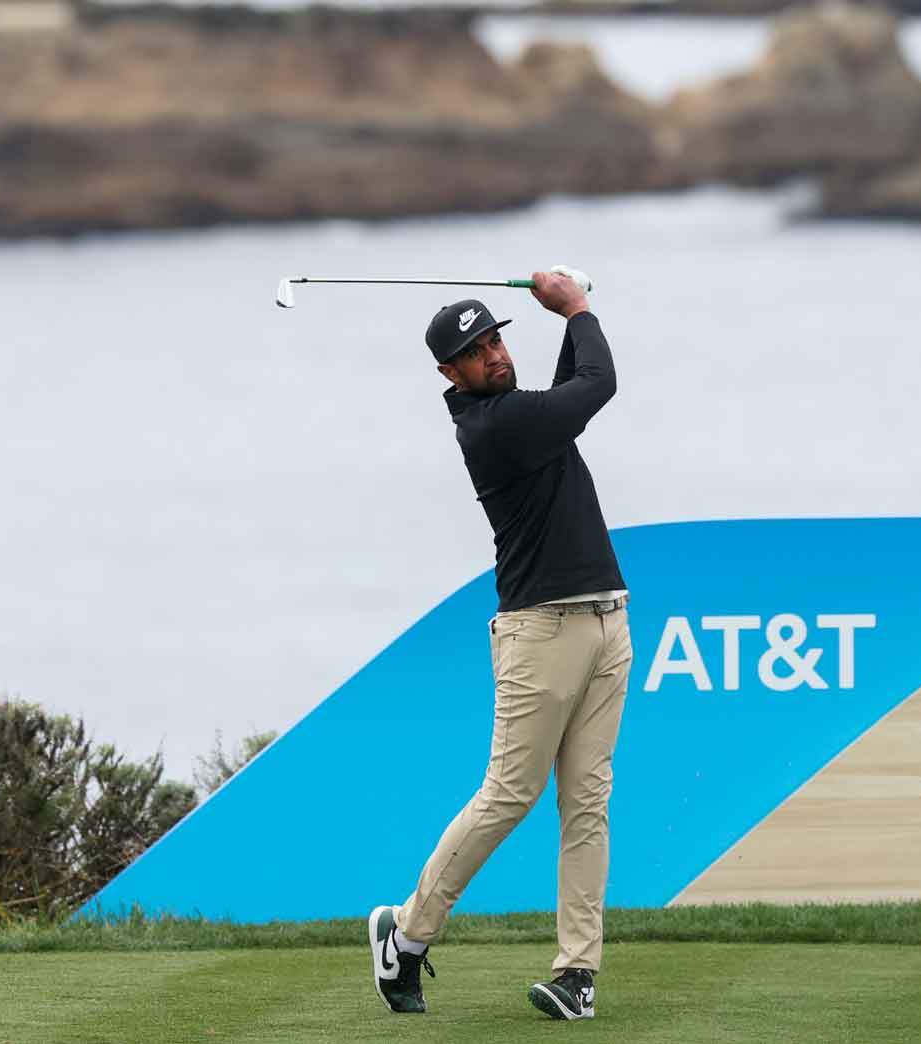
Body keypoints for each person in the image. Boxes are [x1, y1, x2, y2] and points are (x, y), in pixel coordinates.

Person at [369, 268, 631, 1021]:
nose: (493, 355)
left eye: (494, 340)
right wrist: (577, 306)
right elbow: (596, 383)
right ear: (448, 374)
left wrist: (561, 319)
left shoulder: (517, 412)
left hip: (607, 619)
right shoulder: (492, 427)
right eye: (475, 352)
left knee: (587, 805)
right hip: (539, 632)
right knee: (509, 796)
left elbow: (565, 399)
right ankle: (408, 936)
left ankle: (576, 973)